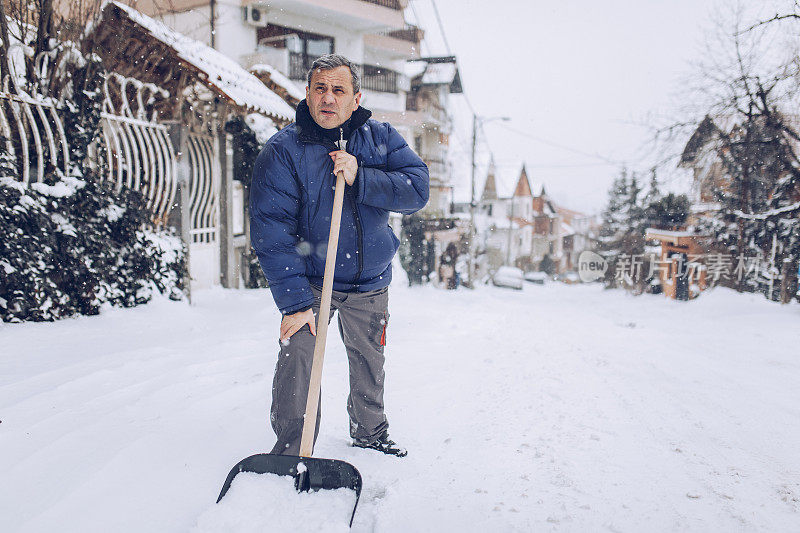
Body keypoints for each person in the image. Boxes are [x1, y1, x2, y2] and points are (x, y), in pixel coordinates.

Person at [249, 54, 429, 458]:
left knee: (368, 362)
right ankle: (295, 448)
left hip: (369, 283)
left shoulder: (380, 138)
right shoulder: (283, 151)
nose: (328, 98)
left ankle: (370, 435)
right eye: (320, 88)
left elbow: (417, 189)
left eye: (338, 90)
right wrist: (295, 304)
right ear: (308, 94)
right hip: (312, 282)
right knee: (298, 358)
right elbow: (272, 232)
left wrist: (361, 176)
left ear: (355, 97)